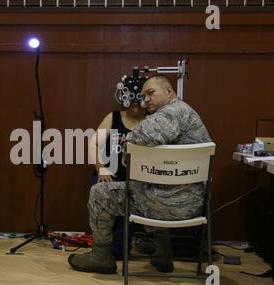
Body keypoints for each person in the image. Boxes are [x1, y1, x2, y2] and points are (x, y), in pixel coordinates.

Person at [69, 75, 212, 274]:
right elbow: (96, 142)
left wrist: (128, 144)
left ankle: (101, 256)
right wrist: (102, 165)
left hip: (167, 203)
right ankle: (163, 254)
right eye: (143, 96)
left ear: (170, 91)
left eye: (150, 93)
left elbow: (140, 136)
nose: (145, 100)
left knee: (100, 193)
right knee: (148, 188)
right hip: (193, 204)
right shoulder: (185, 112)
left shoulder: (170, 113)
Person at [89, 100, 146, 259]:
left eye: (138, 101)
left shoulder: (152, 121)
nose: (134, 105)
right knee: (100, 193)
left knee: (132, 200)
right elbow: (93, 144)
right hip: (109, 174)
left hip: (137, 177)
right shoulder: (113, 117)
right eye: (131, 101)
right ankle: (102, 249)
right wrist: (100, 167)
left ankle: (120, 247)